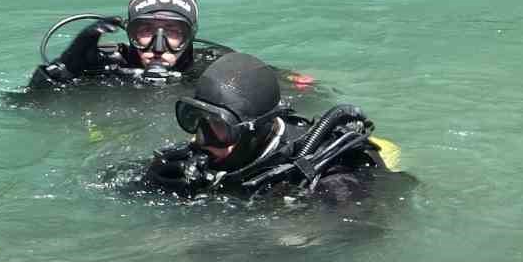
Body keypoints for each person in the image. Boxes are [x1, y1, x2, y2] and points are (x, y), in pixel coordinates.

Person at [143, 53, 404, 204]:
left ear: (254, 131)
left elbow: (357, 236)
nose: (200, 138)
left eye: (218, 127)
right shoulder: (213, 150)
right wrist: (153, 177)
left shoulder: (333, 181)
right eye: (194, 118)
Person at [28, 0, 233, 89]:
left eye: (173, 31)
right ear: (129, 32)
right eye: (145, 30)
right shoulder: (103, 67)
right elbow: (26, 111)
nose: (159, 48)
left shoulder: (215, 70)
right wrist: (64, 69)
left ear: (191, 35)